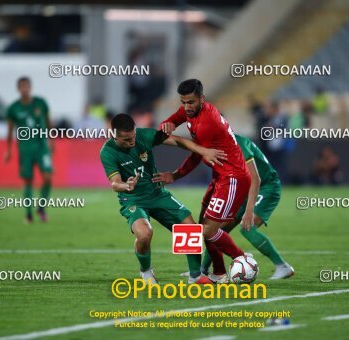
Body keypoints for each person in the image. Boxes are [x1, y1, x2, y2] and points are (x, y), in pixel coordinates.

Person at [100, 113, 226, 284]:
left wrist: (204, 151)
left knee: (190, 227)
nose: (132, 142)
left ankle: (195, 276)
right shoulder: (108, 152)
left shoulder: (144, 136)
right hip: (133, 199)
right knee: (144, 234)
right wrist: (126, 185)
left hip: (157, 193)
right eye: (126, 139)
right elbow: (115, 184)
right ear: (113, 135)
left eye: (133, 137)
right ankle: (145, 271)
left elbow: (177, 141)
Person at [156, 79, 251, 283]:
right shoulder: (191, 111)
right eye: (183, 102)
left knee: (208, 231)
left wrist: (175, 175)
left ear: (202, 99)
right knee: (202, 227)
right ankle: (218, 273)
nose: (186, 107)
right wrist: (168, 123)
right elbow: (175, 119)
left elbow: (197, 155)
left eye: (191, 102)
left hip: (233, 177)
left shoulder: (208, 123)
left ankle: (243, 260)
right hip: (220, 176)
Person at [161, 134, 295, 280]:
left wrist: (249, 210)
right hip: (239, 188)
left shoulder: (238, 145)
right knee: (215, 228)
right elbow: (189, 154)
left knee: (247, 228)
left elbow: (256, 179)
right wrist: (174, 175)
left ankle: (282, 266)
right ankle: (203, 270)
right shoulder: (207, 143)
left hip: (265, 187)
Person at [4, 77, 53, 223]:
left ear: (30, 87)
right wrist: (8, 149)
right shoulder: (13, 108)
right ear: (18, 89)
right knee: (28, 181)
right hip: (25, 149)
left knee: (48, 177)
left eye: (26, 86)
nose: (24, 89)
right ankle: (28, 214)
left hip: (42, 147)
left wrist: (52, 140)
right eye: (21, 86)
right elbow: (9, 131)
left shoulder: (41, 103)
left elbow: (49, 122)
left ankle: (41, 208)